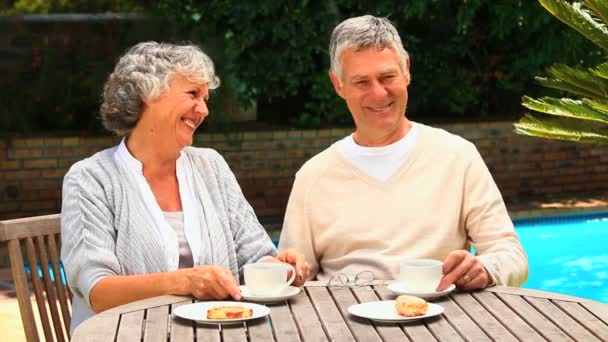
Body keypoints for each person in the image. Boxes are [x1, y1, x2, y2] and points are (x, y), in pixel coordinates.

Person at [61, 41, 309, 332]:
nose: (203, 110)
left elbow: (254, 253)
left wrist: (280, 267)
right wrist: (185, 281)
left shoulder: (211, 166)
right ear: (145, 95)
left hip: (215, 334)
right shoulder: (90, 178)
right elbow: (99, 292)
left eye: (205, 98)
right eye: (193, 94)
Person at [278, 15, 527, 291]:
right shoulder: (313, 176)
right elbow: (293, 273)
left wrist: (486, 268)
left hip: (441, 322)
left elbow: (511, 254)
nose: (378, 93)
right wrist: (290, 270)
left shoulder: (458, 157)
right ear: (338, 84)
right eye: (362, 82)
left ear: (406, 69)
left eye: (387, 76)